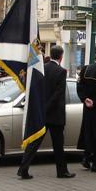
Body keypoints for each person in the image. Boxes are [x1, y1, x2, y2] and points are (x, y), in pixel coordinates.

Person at [16, 46, 75, 179]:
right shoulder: (61, 71)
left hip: (41, 113)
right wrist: (47, 108)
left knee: (34, 142)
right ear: (61, 56)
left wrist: (41, 109)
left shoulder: (42, 69)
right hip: (55, 115)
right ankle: (62, 171)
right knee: (58, 145)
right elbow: (58, 94)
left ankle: (23, 169)